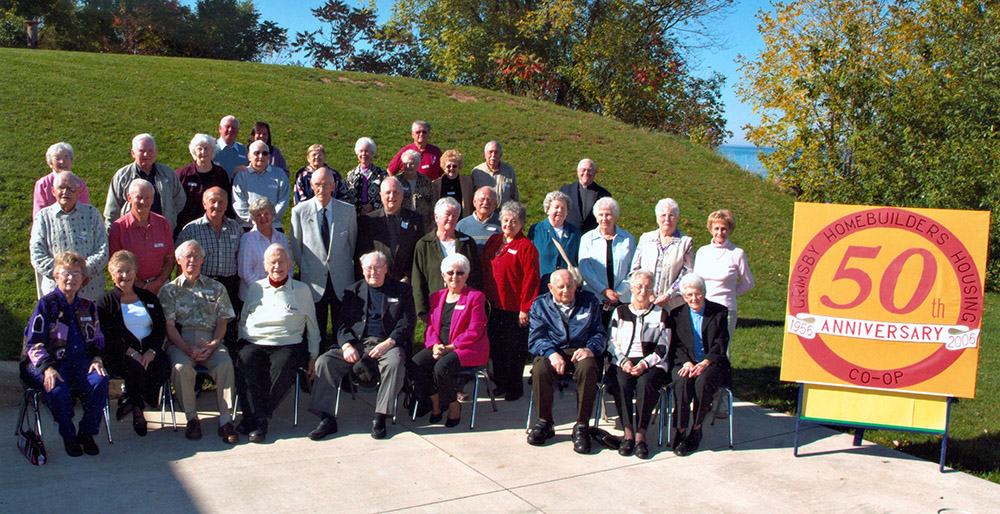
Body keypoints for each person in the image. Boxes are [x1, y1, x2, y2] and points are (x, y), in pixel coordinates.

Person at [307, 251, 415, 441]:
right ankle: (326, 418)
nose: (373, 272)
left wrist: (389, 343)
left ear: (386, 269)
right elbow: (341, 323)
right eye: (369, 268)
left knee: (394, 364)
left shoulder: (401, 290)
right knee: (324, 362)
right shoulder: (352, 291)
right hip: (357, 342)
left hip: (387, 343)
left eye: (378, 267)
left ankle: (380, 417)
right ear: (362, 270)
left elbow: (407, 323)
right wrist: (347, 345)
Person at [21, 251, 108, 457]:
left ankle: (86, 433)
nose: (71, 278)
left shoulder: (88, 306)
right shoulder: (46, 304)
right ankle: (69, 436)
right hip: (53, 363)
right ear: (56, 276)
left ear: (83, 279)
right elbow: (33, 342)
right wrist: (47, 368)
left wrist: (96, 358)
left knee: (100, 381)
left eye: (76, 274)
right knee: (57, 390)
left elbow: (98, 337)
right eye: (65, 273)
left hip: (81, 361)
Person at [236, 244, 320, 443]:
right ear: (265, 266)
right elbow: (244, 316)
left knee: (282, 368)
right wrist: (242, 341)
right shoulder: (256, 288)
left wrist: (313, 356)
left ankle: (257, 419)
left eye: (282, 261)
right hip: (255, 341)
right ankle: (259, 418)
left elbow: (313, 327)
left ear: (290, 264)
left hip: (287, 342)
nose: (277, 266)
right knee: (243, 363)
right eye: (272, 262)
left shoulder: (301, 290)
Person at [158, 240, 238, 443]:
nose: (192, 260)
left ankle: (225, 420)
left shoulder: (216, 288)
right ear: (179, 260)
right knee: (180, 368)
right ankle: (192, 418)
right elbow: (169, 327)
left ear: (203, 260)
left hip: (210, 339)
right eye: (187, 256)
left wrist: (213, 345)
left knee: (225, 365)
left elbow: (222, 322)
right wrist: (187, 348)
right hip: (180, 342)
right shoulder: (169, 291)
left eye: (196, 256)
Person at [526, 269, 606, 453]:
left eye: (570, 286)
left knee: (588, 368)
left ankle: (582, 426)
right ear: (550, 288)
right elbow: (536, 338)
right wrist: (551, 352)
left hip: (580, 349)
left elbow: (599, 333)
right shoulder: (540, 305)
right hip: (552, 350)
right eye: (560, 287)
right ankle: (545, 422)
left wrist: (590, 349)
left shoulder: (589, 301)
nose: (566, 291)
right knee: (540, 370)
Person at [96, 250, 171, 437]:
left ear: (135, 272)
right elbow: (108, 335)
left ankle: (133, 398)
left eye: (129, 270)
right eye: (120, 271)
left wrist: (152, 351)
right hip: (120, 353)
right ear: (112, 274)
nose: (125, 276)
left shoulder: (148, 298)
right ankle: (138, 410)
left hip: (147, 350)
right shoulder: (105, 302)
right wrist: (131, 352)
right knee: (135, 369)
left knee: (162, 366)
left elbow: (160, 327)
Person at [412, 254, 489, 427]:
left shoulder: (475, 297)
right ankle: (436, 401)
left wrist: (450, 347)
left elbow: (475, 330)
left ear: (467, 275)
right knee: (417, 364)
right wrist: (435, 346)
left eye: (460, 273)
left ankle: (453, 405)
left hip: (467, 347)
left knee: (441, 367)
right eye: (450, 272)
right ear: (443, 276)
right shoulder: (436, 297)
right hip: (440, 346)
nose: (455, 277)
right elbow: (431, 326)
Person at [290, 167, 358, 353]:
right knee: (314, 330)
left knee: (342, 329)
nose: (322, 189)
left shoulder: (348, 211)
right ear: (311, 185)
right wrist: (308, 267)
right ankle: (314, 369)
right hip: (313, 280)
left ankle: (341, 374)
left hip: (341, 279)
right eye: (318, 184)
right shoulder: (299, 212)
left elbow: (352, 244)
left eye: (326, 184)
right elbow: (297, 247)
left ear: (334, 186)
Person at [481, 201, 540, 402]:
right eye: (505, 220)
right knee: (496, 346)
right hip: (493, 305)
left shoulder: (526, 247)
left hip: (514, 308)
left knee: (513, 348)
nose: (508, 224)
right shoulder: (494, 241)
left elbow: (531, 279)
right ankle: (500, 383)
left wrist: (526, 308)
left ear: (521, 224)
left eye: (513, 221)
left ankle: (515, 387)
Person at [608, 270, 669, 459]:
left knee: (645, 384)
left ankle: (641, 435)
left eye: (647, 287)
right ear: (631, 288)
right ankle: (628, 433)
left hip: (652, 362)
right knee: (622, 383)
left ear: (652, 290)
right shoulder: (620, 311)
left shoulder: (660, 314)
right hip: (623, 359)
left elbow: (663, 346)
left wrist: (644, 364)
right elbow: (611, 343)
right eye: (639, 286)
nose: (643, 290)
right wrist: (623, 361)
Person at [668, 273, 731, 457]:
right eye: (689, 295)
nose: (694, 298)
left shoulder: (719, 312)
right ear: (684, 296)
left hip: (712, 362)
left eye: (698, 294)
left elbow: (721, 342)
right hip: (685, 361)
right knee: (682, 381)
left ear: (704, 292)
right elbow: (675, 344)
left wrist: (705, 362)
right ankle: (680, 430)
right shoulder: (677, 314)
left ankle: (696, 428)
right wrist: (686, 362)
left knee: (702, 382)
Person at [30, 171, 108, 300]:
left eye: (71, 188)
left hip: (90, 291)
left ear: (79, 192)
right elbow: (37, 254)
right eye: (61, 187)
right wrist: (63, 275)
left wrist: (83, 273)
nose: (65, 192)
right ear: (53, 191)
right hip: (55, 292)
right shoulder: (43, 217)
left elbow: (103, 250)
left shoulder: (92, 214)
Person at [176, 187, 243, 336]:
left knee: (228, 328)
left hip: (229, 285)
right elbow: (180, 264)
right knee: (202, 328)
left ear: (227, 205)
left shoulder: (236, 228)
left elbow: (239, 256)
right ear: (204, 203)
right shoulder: (191, 230)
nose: (217, 206)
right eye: (212, 201)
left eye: (221, 202)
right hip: (201, 285)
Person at [693, 209, 754, 350]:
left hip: (726, 310)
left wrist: (730, 293)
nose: (720, 233)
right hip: (704, 307)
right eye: (716, 228)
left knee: (721, 349)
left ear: (730, 230)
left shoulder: (737, 253)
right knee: (703, 347)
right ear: (710, 229)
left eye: (724, 229)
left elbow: (748, 283)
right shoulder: (702, 252)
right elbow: (696, 280)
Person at [412, 197, 480, 323]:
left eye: (455, 216)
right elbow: (418, 279)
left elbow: (475, 275)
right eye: (447, 215)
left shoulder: (467, 243)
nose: (451, 219)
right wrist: (421, 310)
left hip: (464, 305)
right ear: (436, 217)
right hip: (436, 305)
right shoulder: (424, 244)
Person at [105, 133, 186, 231]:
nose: (146, 155)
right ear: (133, 153)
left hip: (161, 232)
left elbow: (180, 199)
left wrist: (170, 214)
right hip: (130, 233)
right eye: (142, 151)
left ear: (155, 152)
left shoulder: (168, 174)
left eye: (150, 151)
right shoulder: (122, 176)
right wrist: (112, 234)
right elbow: (112, 209)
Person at [108, 179, 175, 294]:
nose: (143, 201)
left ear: (153, 199)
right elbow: (114, 264)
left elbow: (170, 258)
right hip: (130, 288)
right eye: (138, 197)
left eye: (148, 197)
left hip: (160, 287)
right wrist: (140, 285)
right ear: (129, 198)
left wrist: (158, 282)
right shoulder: (118, 227)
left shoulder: (163, 223)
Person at [578, 197, 635, 327]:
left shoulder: (627, 239)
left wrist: (619, 292)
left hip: (622, 298)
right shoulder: (587, 239)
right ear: (596, 217)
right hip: (595, 298)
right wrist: (605, 291)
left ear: (615, 216)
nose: (604, 218)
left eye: (608, 215)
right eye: (601, 215)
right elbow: (585, 269)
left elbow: (633, 269)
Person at [355, 176, 424, 282]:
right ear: (381, 195)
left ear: (402, 194)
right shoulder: (367, 221)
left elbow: (419, 254)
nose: (392, 196)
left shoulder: (415, 220)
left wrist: (408, 277)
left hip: (406, 286)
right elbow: (361, 255)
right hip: (377, 283)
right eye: (388, 192)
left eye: (396, 192)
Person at [631, 198, 694, 311]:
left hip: (673, 304)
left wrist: (668, 295)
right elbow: (635, 270)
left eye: (671, 215)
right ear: (657, 217)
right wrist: (648, 294)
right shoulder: (645, 239)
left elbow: (687, 273)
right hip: (644, 301)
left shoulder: (685, 242)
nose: (667, 219)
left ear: (677, 218)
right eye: (663, 215)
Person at [174, 133, 234, 236]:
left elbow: (226, 201)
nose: (203, 152)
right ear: (194, 151)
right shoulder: (182, 174)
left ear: (212, 150)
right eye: (199, 149)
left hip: (215, 227)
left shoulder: (220, 174)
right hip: (187, 228)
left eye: (207, 148)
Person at [238, 197, 290, 301]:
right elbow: (245, 273)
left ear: (272, 214)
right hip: (255, 296)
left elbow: (289, 266)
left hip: (280, 293)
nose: (263, 217)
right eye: (258, 215)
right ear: (253, 218)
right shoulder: (248, 239)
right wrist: (267, 290)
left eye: (266, 213)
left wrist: (282, 286)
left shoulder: (281, 237)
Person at [527, 190, 581, 288]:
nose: (560, 210)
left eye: (563, 208)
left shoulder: (574, 232)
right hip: (542, 286)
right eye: (556, 207)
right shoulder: (536, 230)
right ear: (547, 210)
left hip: (565, 289)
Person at [232, 140, 290, 231]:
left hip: (273, 226)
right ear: (249, 156)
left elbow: (283, 200)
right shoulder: (241, 175)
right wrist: (255, 220)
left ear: (269, 156)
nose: (261, 156)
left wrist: (269, 219)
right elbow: (238, 202)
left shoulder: (280, 174)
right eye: (256, 153)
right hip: (247, 227)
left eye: (265, 153)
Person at [33, 142, 91, 217]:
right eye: (57, 158)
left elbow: (86, 210)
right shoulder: (43, 184)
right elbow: (38, 214)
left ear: (71, 161)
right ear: (50, 163)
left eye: (66, 158)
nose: (62, 162)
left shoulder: (80, 184)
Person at [559, 159, 610, 233]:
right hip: (569, 235)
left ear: (595, 172)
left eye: (589, 170)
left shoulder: (604, 194)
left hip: (592, 238)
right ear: (577, 171)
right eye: (583, 170)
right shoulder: (565, 191)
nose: (586, 173)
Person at [344, 137, 389, 215]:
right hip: (355, 215)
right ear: (357, 153)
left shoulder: (382, 174)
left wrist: (373, 206)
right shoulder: (350, 175)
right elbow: (347, 197)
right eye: (361, 151)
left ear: (372, 153)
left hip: (376, 215)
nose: (363, 154)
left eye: (366, 151)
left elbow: (387, 194)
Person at [470, 140, 519, 206]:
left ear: (501, 155)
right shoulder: (476, 172)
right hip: (484, 213)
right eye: (490, 152)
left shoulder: (509, 171)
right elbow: (470, 196)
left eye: (496, 152)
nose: (493, 155)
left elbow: (515, 196)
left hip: (503, 214)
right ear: (485, 154)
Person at [397, 148, 435, 230]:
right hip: (402, 222)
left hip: (423, 223)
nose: (408, 166)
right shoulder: (397, 181)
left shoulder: (426, 181)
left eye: (411, 164)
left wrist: (433, 221)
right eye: (405, 163)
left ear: (418, 165)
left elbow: (432, 201)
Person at [455, 186, 501, 250]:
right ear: (474, 202)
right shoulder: (462, 225)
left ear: (495, 204)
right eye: (482, 199)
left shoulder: (502, 224)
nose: (485, 203)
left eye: (489, 200)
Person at [432, 149, 474, 217]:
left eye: (454, 166)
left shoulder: (467, 182)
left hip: (462, 220)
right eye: (448, 166)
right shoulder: (436, 184)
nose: (451, 168)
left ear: (459, 167)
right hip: (443, 220)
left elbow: (470, 203)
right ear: (444, 167)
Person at [214, 115, 248, 179]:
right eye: (227, 127)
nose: (230, 130)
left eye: (234, 128)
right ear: (220, 128)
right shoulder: (211, 148)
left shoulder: (243, 150)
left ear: (237, 131)